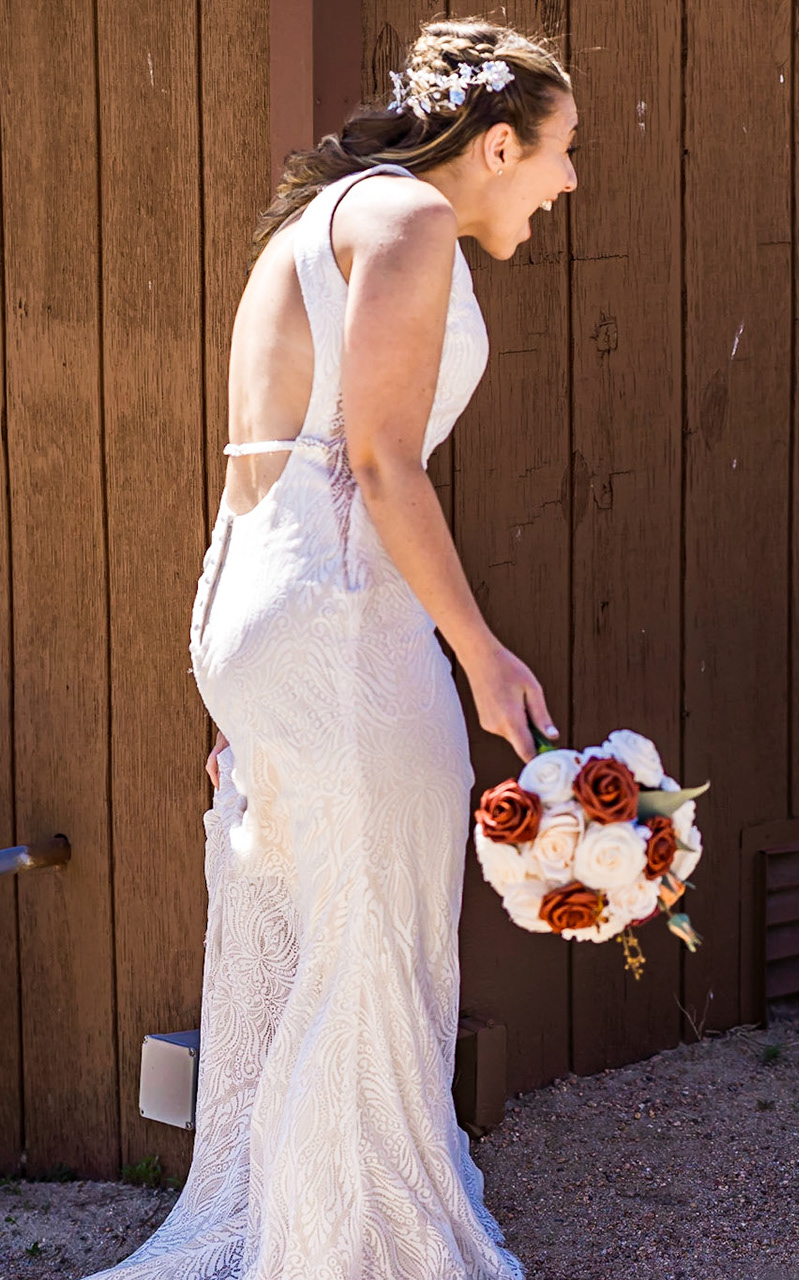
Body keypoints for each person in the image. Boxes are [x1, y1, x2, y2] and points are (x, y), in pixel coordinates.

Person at [92, 20, 576, 1280]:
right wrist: (477, 649)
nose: (567, 183)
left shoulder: (319, 223)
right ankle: (353, 1251)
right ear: (502, 142)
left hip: (258, 596)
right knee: (372, 931)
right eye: (561, 153)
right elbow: (377, 460)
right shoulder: (409, 220)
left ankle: (294, 1223)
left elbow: (279, 460)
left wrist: (246, 686)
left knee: (324, 924)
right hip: (337, 615)